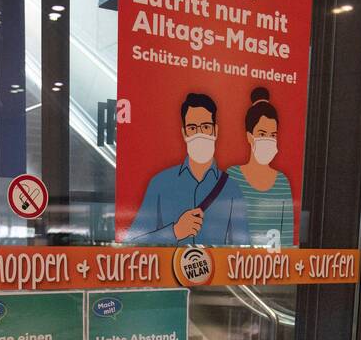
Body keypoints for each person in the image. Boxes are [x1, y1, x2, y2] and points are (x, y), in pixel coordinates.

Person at [124, 92, 250, 246]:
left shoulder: (231, 189)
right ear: (184, 133)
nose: (199, 134)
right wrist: (175, 231)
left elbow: (242, 250)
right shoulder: (160, 184)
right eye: (192, 128)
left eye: (205, 127)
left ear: (215, 131)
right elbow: (131, 244)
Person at [227, 87, 295, 247]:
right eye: (262, 134)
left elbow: (286, 242)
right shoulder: (232, 176)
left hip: (271, 268)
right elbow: (222, 231)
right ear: (250, 137)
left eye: (273, 135)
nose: (268, 140)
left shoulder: (282, 182)